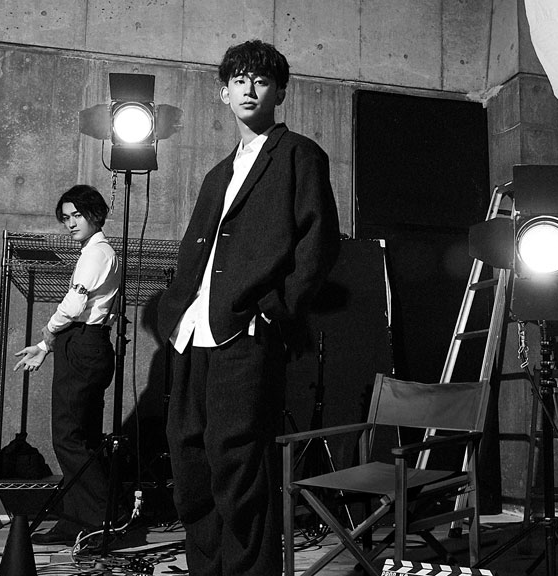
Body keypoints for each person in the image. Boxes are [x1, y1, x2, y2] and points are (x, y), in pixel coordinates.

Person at [157, 39, 340, 576]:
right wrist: (175, 314)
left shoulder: (299, 154)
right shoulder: (217, 173)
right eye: (239, 80)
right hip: (192, 332)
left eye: (261, 81)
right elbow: (198, 249)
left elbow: (319, 243)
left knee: (238, 464)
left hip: (246, 330)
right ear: (224, 93)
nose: (249, 89)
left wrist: (276, 307)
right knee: (190, 462)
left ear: (279, 92)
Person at [14, 184, 120, 546]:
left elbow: (74, 307)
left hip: (84, 345)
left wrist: (49, 330)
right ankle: (79, 522)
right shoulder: (97, 252)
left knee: (68, 437)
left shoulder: (96, 254)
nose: (70, 223)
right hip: (86, 343)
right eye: (65, 217)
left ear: (95, 215)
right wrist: (46, 346)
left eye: (77, 215)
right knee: (83, 438)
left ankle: (101, 519)